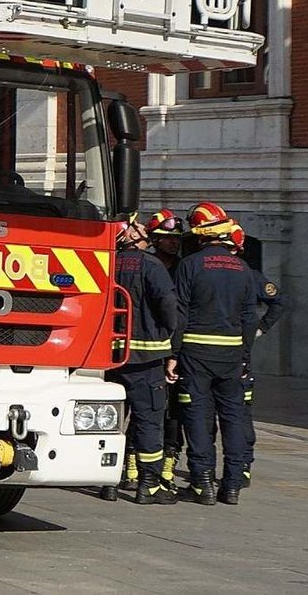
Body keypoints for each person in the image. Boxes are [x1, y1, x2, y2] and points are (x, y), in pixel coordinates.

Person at [167, 201, 264, 506]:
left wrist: (173, 353)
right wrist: (245, 353)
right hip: (232, 353)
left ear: (199, 235)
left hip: (195, 352)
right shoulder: (244, 269)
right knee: (234, 416)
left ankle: (202, 484)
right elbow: (250, 317)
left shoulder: (189, 265)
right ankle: (233, 484)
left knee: (197, 415)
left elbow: (179, 313)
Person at [98, 215, 179, 504]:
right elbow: (168, 305)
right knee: (148, 422)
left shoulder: (107, 263)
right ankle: (149, 485)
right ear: (130, 233)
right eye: (138, 225)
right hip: (146, 360)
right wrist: (170, 337)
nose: (144, 228)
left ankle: (108, 482)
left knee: (113, 422)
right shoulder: (153, 266)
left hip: (110, 358)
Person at [224, 220, 285, 489]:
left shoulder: (248, 274)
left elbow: (279, 301)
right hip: (237, 355)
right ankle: (240, 466)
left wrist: (261, 327)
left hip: (217, 353)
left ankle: (237, 465)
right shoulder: (246, 273)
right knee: (239, 412)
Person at [145, 208, 190, 489]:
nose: (173, 243)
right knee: (146, 409)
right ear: (155, 240)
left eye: (176, 239)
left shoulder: (184, 268)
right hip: (150, 347)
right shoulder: (148, 265)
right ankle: (135, 466)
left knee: (175, 411)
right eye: (166, 238)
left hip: (177, 349)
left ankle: (169, 463)